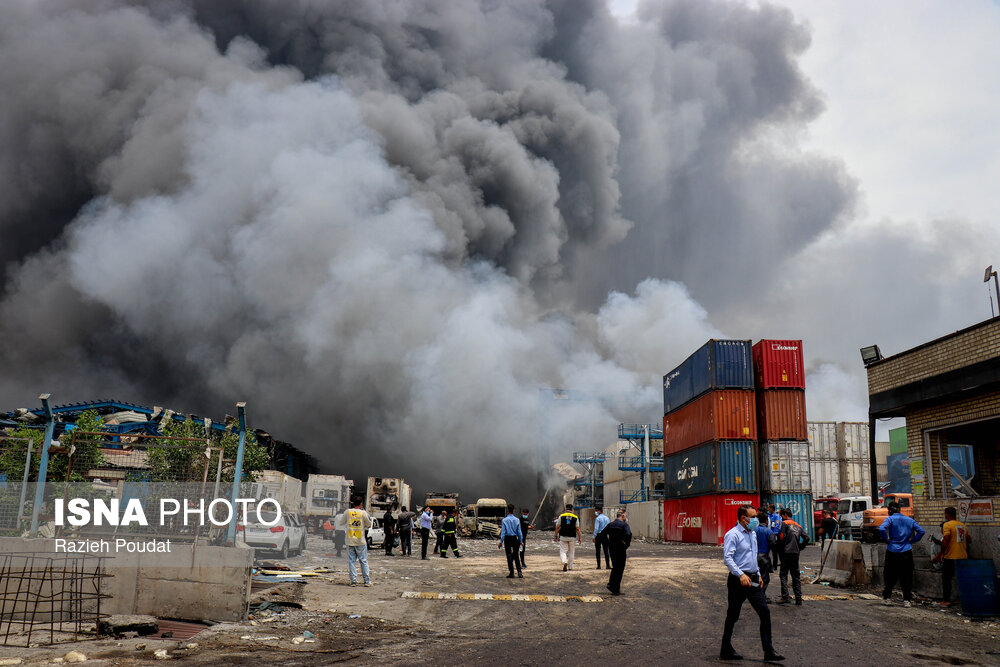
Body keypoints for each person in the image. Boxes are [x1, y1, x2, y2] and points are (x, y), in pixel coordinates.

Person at [721, 505, 783, 662]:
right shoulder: (732, 535)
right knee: (733, 615)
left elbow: (753, 555)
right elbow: (728, 559)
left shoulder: (752, 534)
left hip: (753, 579)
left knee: (764, 612)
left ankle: (768, 651)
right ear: (744, 518)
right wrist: (741, 574)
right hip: (738, 580)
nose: (756, 519)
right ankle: (725, 648)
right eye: (753, 516)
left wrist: (757, 573)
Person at [879, 501, 925, 607]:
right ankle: (906, 600)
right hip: (906, 550)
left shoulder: (890, 519)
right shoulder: (909, 520)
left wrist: (886, 539)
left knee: (890, 575)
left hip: (892, 550)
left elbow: (882, 529)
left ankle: (887, 598)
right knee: (907, 576)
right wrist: (912, 541)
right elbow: (921, 531)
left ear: (889, 510)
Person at [932, 506, 971, 607]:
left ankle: (946, 600)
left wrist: (941, 554)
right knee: (961, 579)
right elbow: (969, 540)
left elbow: (945, 540)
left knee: (946, 579)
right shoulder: (962, 526)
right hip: (963, 556)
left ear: (947, 514)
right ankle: (961, 599)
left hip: (951, 557)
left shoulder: (947, 525)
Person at [776, 509, 807, 606]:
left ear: (785, 515)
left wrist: (779, 548)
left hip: (786, 552)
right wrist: (800, 546)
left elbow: (781, 537)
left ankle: (785, 596)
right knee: (796, 576)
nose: (781, 518)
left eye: (781, 516)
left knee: (783, 574)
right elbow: (807, 538)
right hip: (795, 553)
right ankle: (798, 598)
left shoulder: (784, 524)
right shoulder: (798, 525)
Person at [600, 508, 632, 595]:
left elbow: (602, 534)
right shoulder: (624, 525)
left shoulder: (610, 524)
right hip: (621, 549)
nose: (626, 518)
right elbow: (628, 534)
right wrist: (626, 544)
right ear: (623, 516)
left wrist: (608, 543)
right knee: (620, 568)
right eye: (625, 516)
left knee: (615, 567)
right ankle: (614, 587)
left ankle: (613, 586)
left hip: (612, 548)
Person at [345, 497, 373, 587]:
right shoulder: (363, 513)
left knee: (351, 561)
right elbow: (369, 524)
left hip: (350, 540)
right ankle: (367, 581)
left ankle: (353, 581)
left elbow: (341, 522)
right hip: (360, 541)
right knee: (363, 561)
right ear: (361, 504)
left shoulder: (348, 512)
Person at [553, 504, 582, 571]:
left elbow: (557, 527)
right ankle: (570, 567)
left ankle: (564, 561)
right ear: (572, 509)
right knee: (571, 552)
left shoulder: (561, 516)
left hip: (563, 536)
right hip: (572, 537)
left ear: (566, 509)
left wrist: (556, 535)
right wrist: (580, 537)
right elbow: (577, 528)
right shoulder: (575, 517)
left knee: (563, 551)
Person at [498, 504, 524, 578]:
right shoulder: (517, 520)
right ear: (514, 510)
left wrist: (501, 542)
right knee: (516, 555)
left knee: (509, 555)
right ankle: (519, 572)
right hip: (515, 538)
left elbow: (503, 532)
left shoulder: (504, 520)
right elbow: (519, 532)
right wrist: (521, 541)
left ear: (507, 510)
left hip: (507, 539)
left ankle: (511, 572)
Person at [755, 506, 775, 597]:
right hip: (764, 557)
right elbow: (773, 544)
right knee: (764, 577)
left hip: (753, 557)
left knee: (754, 576)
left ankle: (754, 593)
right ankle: (761, 594)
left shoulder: (753, 531)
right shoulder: (768, 531)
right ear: (767, 521)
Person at [767, 504, 782, 570]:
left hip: (774, 535)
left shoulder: (776, 516)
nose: (768, 509)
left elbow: (777, 526)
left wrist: (774, 535)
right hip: (769, 534)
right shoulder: (768, 516)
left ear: (771, 509)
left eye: (768, 508)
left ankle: (775, 565)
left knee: (774, 552)